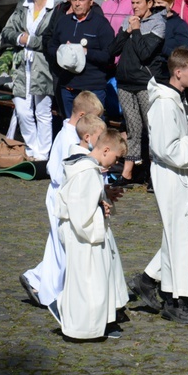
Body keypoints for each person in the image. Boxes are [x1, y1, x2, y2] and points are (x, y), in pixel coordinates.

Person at [128, 48, 188, 322]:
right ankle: (175, 300)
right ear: (179, 72)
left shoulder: (179, 97)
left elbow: (181, 138)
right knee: (178, 235)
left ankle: (148, 278)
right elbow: (166, 148)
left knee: (186, 232)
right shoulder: (164, 103)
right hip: (168, 173)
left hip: (180, 172)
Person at [19, 91, 104, 308]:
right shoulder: (67, 137)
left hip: (67, 194)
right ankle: (49, 291)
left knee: (62, 243)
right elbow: (55, 170)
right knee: (61, 244)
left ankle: (38, 278)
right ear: (83, 116)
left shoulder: (71, 135)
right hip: (60, 195)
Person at [51, 129, 127, 340]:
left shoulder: (89, 170)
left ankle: (93, 324)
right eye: (116, 157)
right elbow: (80, 211)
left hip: (83, 233)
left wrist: (103, 199)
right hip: (82, 236)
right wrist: (101, 210)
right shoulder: (86, 172)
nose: (116, 163)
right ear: (105, 149)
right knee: (88, 281)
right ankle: (82, 328)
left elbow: (86, 200)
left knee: (92, 279)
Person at [109, 0, 166, 187]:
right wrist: (126, 31)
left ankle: (154, 174)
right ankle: (127, 173)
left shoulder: (158, 23)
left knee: (151, 129)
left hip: (144, 83)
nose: (134, 7)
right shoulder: (129, 21)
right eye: (132, 2)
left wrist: (136, 31)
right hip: (125, 83)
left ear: (149, 3)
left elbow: (144, 53)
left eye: (138, 3)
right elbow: (113, 50)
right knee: (133, 129)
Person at [0, 0, 58, 161]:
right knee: (22, 110)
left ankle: (43, 154)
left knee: (42, 111)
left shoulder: (55, 8)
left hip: (44, 67)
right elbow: (7, 31)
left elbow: (51, 41)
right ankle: (32, 148)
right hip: (22, 66)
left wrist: (30, 40)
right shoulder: (22, 5)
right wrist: (19, 38)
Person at [48, 0, 116, 117]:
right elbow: (50, 46)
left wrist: (85, 52)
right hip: (68, 88)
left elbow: (109, 56)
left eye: (81, 0)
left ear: (91, 2)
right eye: (74, 0)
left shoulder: (101, 24)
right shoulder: (63, 22)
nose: (77, 4)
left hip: (92, 90)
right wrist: (62, 51)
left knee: (93, 131)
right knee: (71, 131)